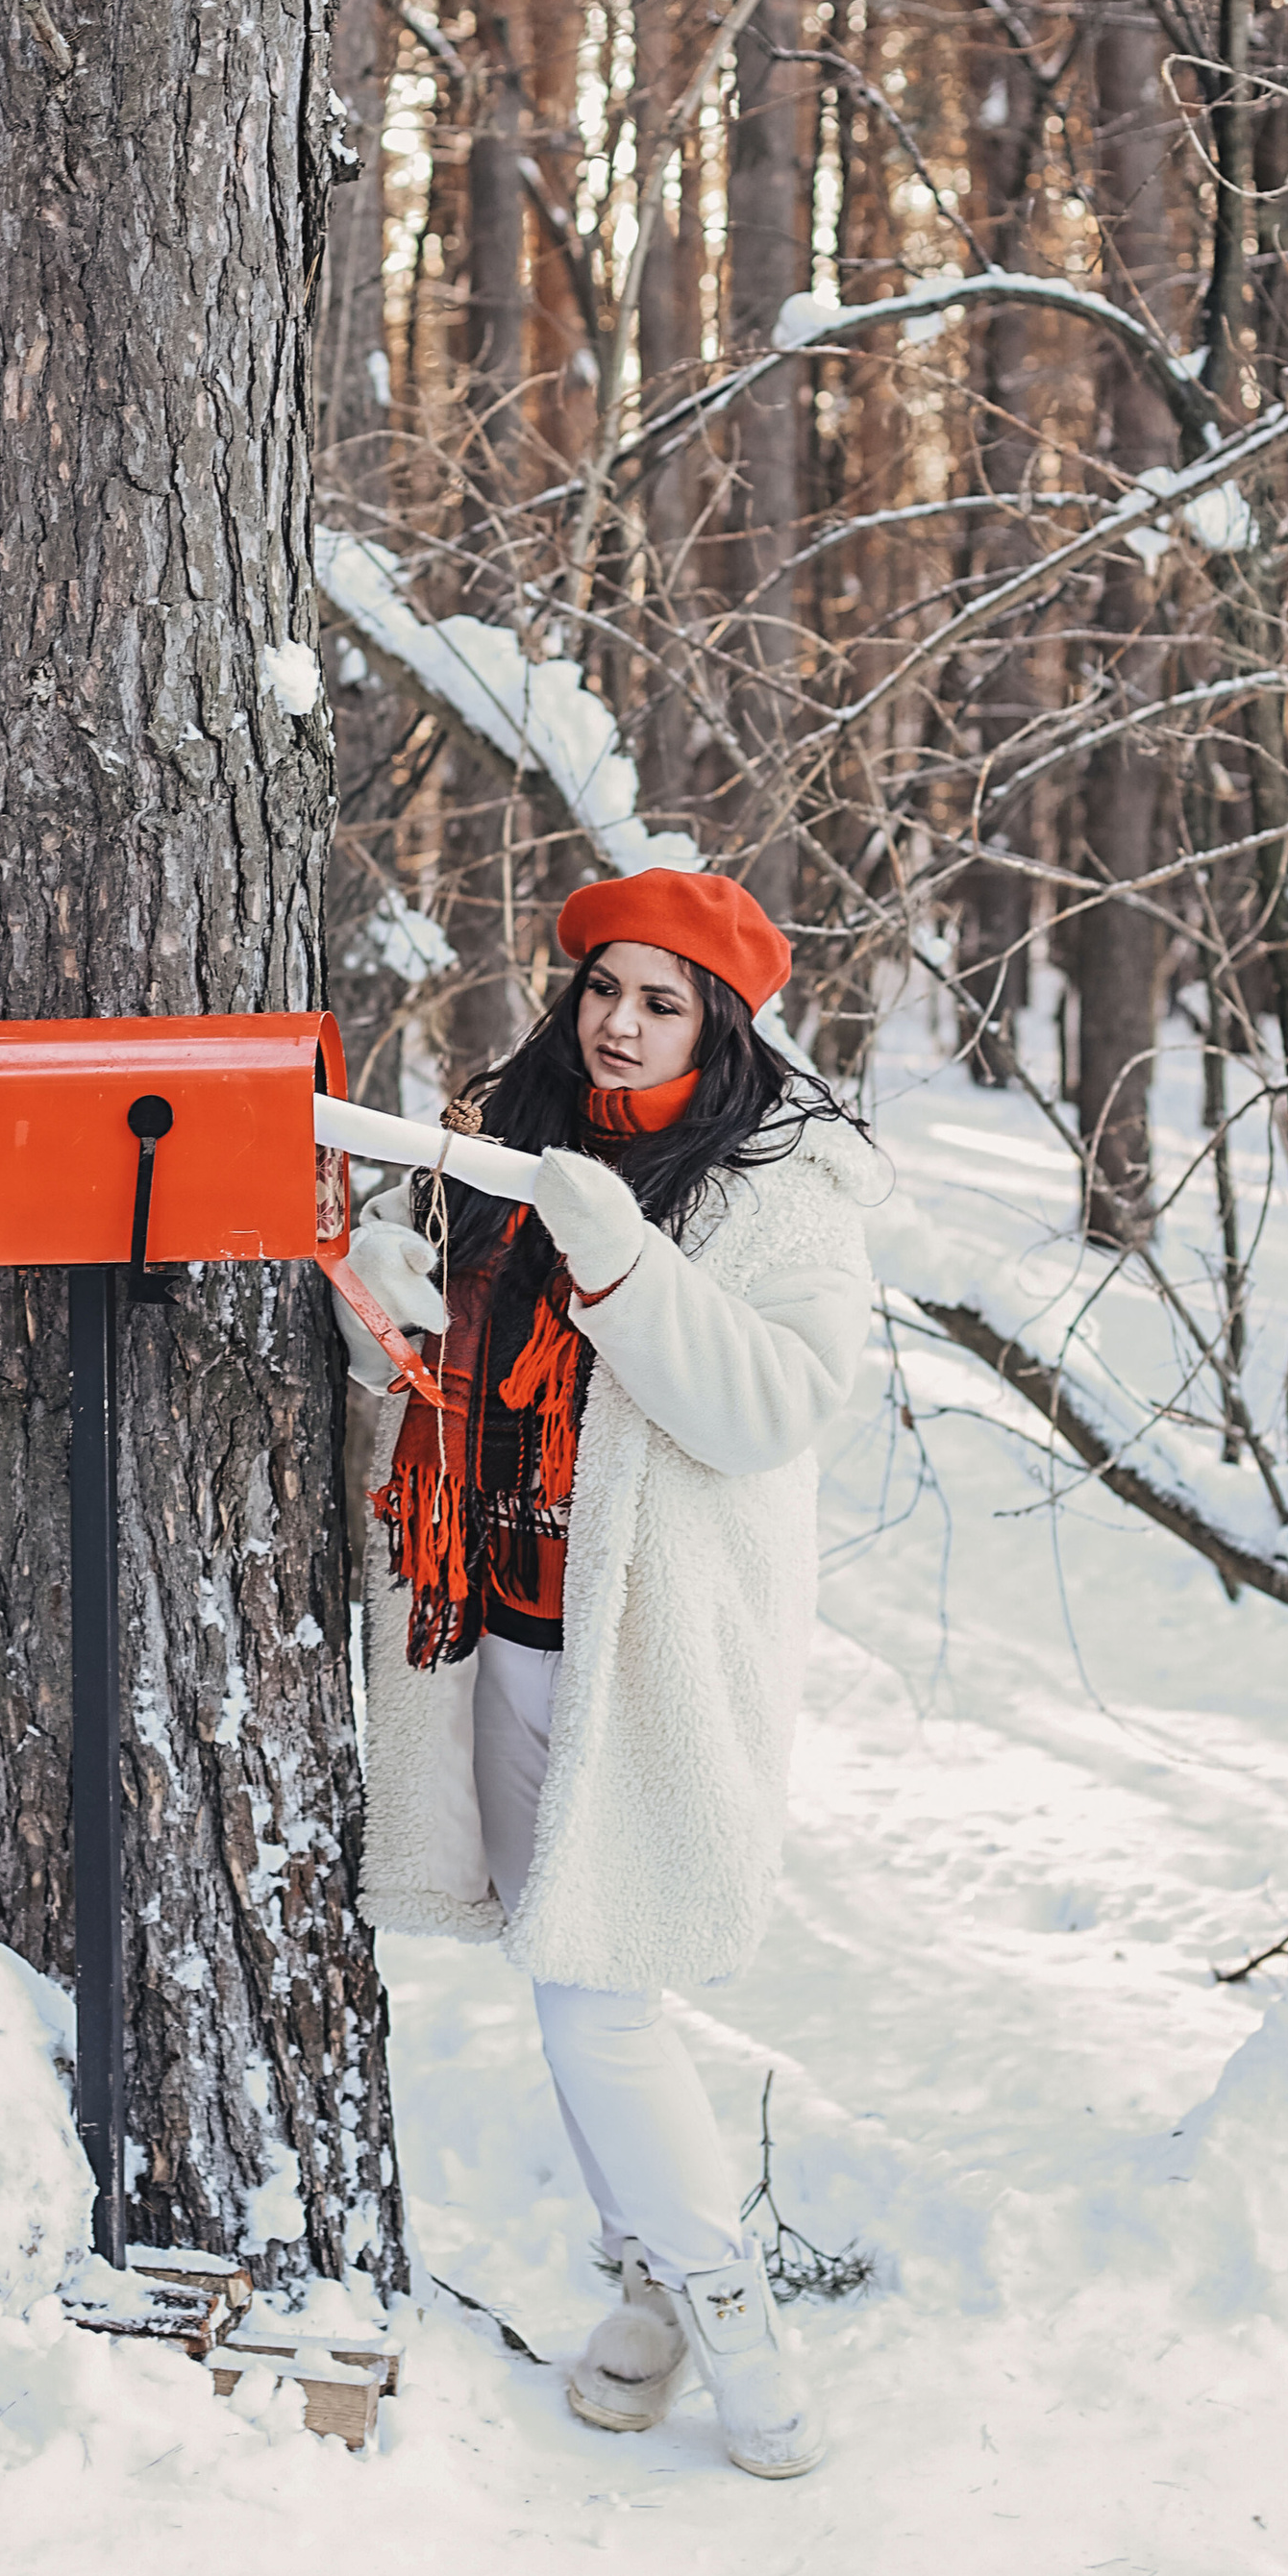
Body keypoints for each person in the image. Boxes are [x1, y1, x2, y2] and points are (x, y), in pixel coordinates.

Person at [332, 866, 886, 2478]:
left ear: (721, 1022)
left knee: (596, 1995)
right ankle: (648, 2277)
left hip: (644, 1647)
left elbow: (775, 1407)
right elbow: (459, 1376)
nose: (622, 1025)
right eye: (602, 991)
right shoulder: (509, 1150)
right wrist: (397, 1314)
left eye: (663, 1001)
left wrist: (624, 1259)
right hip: (495, 1613)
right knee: (577, 1973)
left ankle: (734, 2322)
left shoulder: (784, 1186)